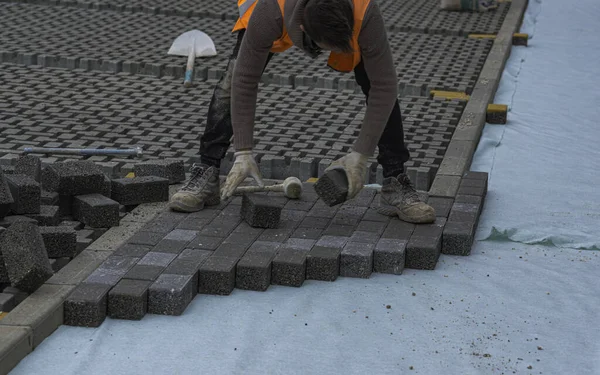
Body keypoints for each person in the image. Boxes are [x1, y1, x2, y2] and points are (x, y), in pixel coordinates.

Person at [169, 0, 436, 224]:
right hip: (275, 10)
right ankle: (207, 169)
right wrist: (243, 152)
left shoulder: (364, 11)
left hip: (345, 21)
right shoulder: (269, 10)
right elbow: (244, 80)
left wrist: (360, 156)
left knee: (378, 83)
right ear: (301, 29)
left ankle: (395, 181)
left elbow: (385, 87)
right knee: (231, 81)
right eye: (320, 47)